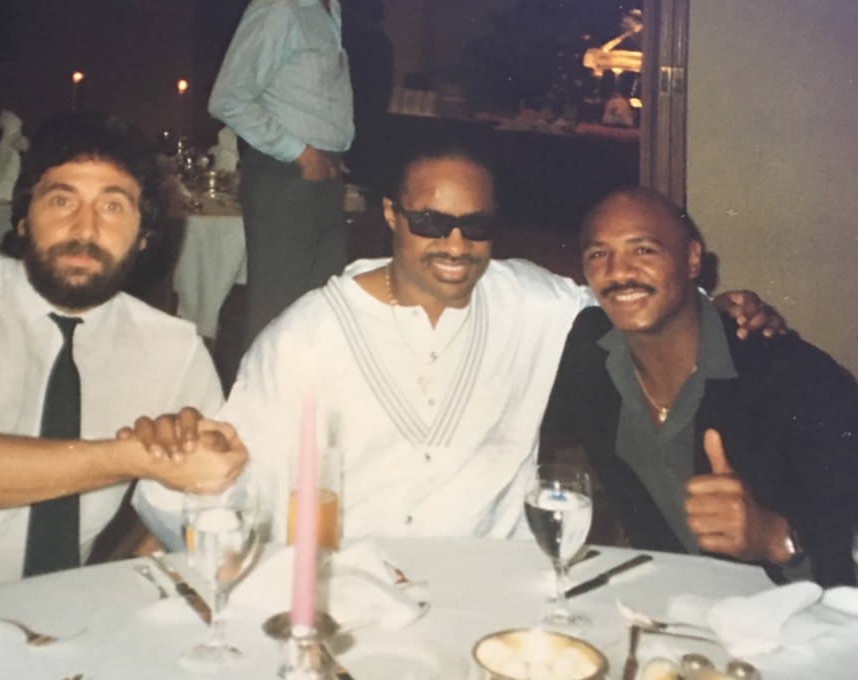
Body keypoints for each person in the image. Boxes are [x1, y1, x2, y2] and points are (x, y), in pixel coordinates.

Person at [131, 145, 777, 546]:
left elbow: (631, 297)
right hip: (349, 600)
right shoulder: (306, 337)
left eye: (477, 226)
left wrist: (714, 307)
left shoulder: (529, 299)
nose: (456, 245)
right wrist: (173, 478)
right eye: (431, 223)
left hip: (495, 591)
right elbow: (228, 481)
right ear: (391, 215)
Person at [0, 111, 244, 584]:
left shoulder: (175, 349)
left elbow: (215, 505)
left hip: (43, 626)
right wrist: (135, 456)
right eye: (60, 200)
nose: (84, 228)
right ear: (25, 220)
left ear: (144, 238)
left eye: (112, 207)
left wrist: (120, 587)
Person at [543, 187, 858, 586]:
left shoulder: (797, 380)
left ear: (692, 260)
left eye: (643, 251)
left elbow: (846, 545)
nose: (618, 272)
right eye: (598, 254)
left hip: (798, 624)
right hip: (672, 610)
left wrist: (775, 539)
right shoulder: (590, 354)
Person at [208, 0, 354, 351]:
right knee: (275, 323)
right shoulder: (280, 8)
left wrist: (330, 153)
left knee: (322, 317)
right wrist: (302, 153)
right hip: (285, 177)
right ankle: (255, 405)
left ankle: (304, 407)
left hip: (324, 175)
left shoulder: (329, 10)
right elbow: (227, 99)